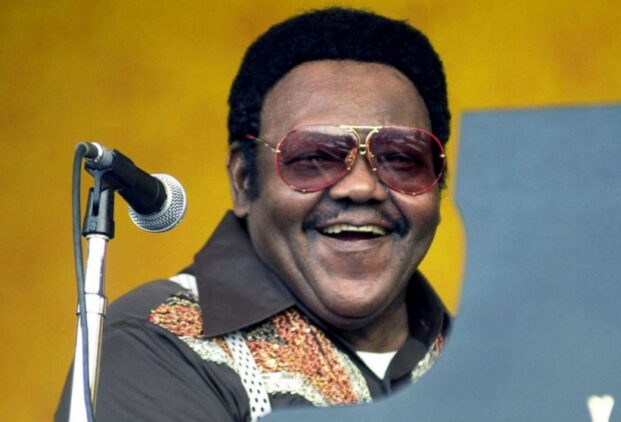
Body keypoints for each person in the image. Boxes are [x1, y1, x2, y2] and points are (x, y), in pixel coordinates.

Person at [56, 7, 451, 421]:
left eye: (400, 158)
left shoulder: (485, 356)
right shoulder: (151, 345)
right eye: (314, 157)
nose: (361, 187)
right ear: (244, 180)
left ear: (439, 182)